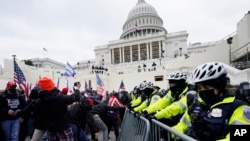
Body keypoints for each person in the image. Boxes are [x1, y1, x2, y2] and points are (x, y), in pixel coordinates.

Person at [172, 62, 250, 141]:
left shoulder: (238, 108)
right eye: (199, 88)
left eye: (207, 87)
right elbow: (182, 124)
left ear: (219, 86)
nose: (202, 91)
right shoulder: (196, 104)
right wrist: (171, 133)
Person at [35, 76, 80, 141]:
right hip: (64, 129)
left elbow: (40, 118)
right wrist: (77, 89)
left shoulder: (39, 102)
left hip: (51, 130)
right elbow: (75, 97)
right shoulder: (60, 98)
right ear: (52, 85)